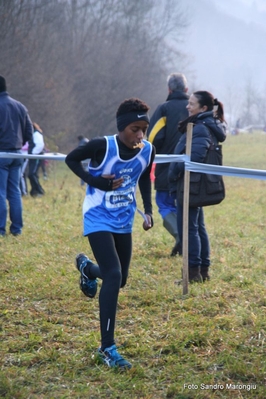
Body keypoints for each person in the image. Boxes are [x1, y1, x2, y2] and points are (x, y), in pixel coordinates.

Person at [65, 98, 155, 369]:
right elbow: (71, 159)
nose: (139, 135)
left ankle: (87, 269)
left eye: (143, 129)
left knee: (120, 278)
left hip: (123, 219)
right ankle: (107, 347)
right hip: (97, 216)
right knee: (113, 274)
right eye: (134, 129)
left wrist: (149, 211)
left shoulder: (148, 149)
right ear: (121, 128)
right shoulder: (103, 146)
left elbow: (144, 177)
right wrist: (94, 181)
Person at [168, 91, 227, 282]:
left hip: (190, 185)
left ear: (203, 108)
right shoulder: (206, 124)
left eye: (191, 104)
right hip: (195, 185)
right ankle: (202, 271)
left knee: (189, 229)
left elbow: (195, 157)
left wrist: (175, 169)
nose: (187, 106)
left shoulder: (200, 127)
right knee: (198, 227)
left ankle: (193, 273)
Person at [147, 73, 189, 256]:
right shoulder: (194, 108)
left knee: (164, 203)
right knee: (186, 204)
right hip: (192, 167)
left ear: (169, 89)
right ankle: (189, 240)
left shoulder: (163, 109)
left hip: (167, 167)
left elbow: (153, 138)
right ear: (186, 90)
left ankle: (181, 236)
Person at [0, 75, 33, 236]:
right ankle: (17, 229)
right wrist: (20, 144)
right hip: (18, 153)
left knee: (0, 192)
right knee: (14, 192)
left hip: (1, 154)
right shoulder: (20, 106)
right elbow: (29, 132)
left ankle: (0, 230)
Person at [28, 122, 45, 197]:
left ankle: (39, 190)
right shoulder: (34, 134)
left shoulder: (36, 134)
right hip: (33, 156)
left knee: (32, 174)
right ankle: (34, 191)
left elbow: (40, 145)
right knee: (32, 174)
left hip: (36, 156)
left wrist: (33, 153)